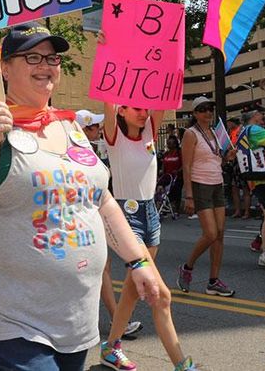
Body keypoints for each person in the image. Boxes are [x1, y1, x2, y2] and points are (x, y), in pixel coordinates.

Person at [0, 22, 169, 371]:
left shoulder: (69, 126)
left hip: (75, 322)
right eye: (32, 57)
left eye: (53, 58)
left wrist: (138, 262)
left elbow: (101, 200)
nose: (45, 66)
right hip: (11, 323)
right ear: (4, 66)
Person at [100, 84, 195, 367]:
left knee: (132, 289)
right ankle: (183, 364)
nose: (144, 113)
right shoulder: (113, 134)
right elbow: (107, 95)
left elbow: (166, 91)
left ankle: (110, 348)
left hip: (150, 215)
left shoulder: (151, 130)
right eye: (137, 108)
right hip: (125, 218)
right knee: (160, 295)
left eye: (146, 107)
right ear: (121, 110)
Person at [76, 108, 143, 341]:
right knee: (99, 268)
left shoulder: (91, 151)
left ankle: (113, 318)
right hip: (85, 219)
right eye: (93, 127)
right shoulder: (76, 154)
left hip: (98, 216)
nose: (98, 130)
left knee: (102, 267)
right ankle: (115, 319)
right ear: (82, 130)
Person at [178, 96, 235, 297]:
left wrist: (227, 157)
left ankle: (213, 281)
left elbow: (217, 159)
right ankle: (187, 266)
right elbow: (186, 166)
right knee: (210, 233)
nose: (208, 112)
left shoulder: (216, 133)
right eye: (203, 109)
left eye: (210, 108)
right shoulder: (190, 134)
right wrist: (189, 196)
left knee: (220, 234)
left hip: (217, 183)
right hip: (200, 185)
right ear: (195, 114)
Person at [238, 109, 265, 270]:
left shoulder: (246, 131)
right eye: (260, 115)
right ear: (254, 117)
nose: (263, 118)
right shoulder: (254, 130)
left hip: (260, 179)